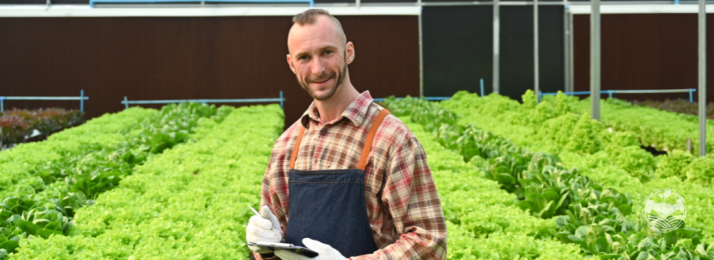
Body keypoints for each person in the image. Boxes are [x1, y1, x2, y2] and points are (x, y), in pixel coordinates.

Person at [246, 9, 447, 260]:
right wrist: (265, 247)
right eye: (304, 57)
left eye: (327, 52)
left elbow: (430, 241)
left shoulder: (392, 140)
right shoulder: (286, 145)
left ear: (348, 52)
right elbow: (277, 243)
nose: (318, 69)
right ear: (291, 64)